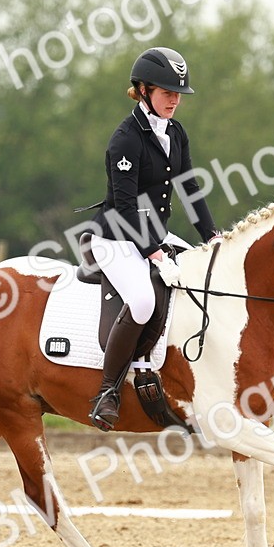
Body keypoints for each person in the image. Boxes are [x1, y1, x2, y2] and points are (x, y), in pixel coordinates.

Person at [84, 46, 222, 431]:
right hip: (116, 237)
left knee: (200, 280)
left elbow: (189, 189)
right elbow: (126, 206)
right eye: (166, 92)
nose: (174, 100)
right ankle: (108, 392)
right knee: (143, 301)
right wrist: (153, 251)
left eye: (178, 94)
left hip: (154, 234)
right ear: (143, 90)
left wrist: (212, 236)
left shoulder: (176, 133)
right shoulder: (125, 139)